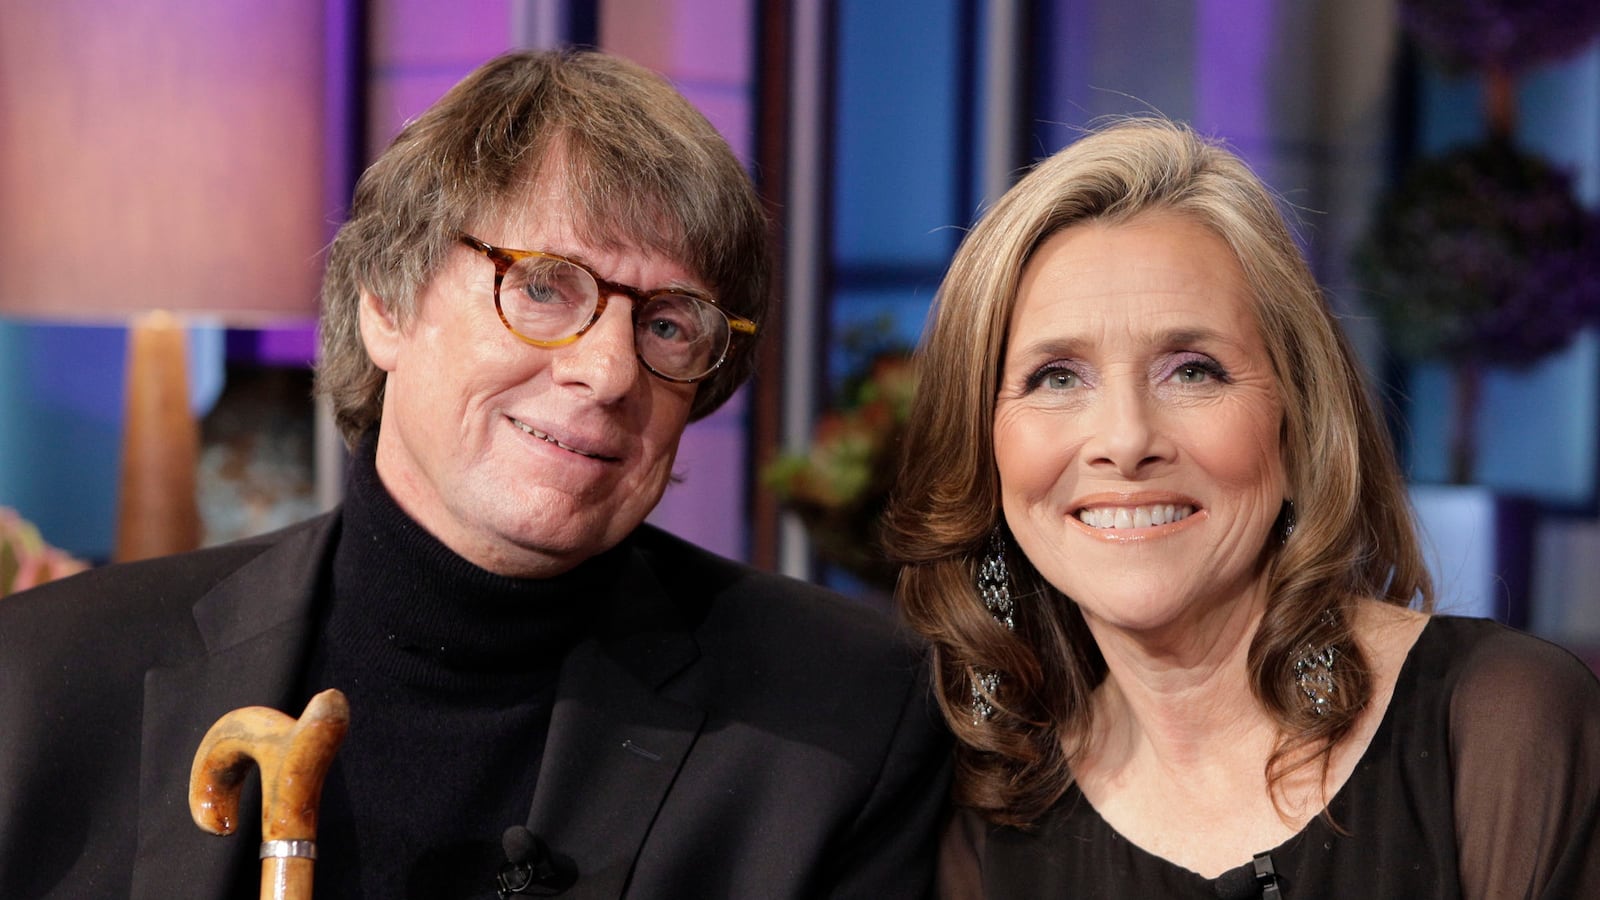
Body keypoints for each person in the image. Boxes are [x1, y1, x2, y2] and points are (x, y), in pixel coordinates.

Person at [0, 49, 951, 899]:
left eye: (666, 323)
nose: (610, 370)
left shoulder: (845, 721)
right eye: (543, 287)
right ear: (385, 301)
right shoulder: (44, 680)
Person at [882, 117, 1600, 899]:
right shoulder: (993, 822)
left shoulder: (1504, 729)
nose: (1125, 440)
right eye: (1056, 377)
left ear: (1297, 423)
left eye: (1193, 371)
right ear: (983, 454)